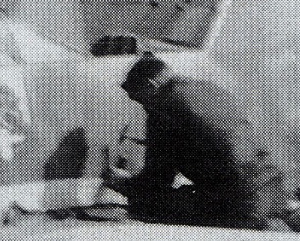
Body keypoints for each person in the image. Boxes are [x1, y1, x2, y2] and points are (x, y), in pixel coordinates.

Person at [111, 54, 283, 230]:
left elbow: (155, 181)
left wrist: (117, 181)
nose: (143, 106)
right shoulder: (211, 89)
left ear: (150, 86)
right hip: (274, 191)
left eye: (139, 99)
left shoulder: (163, 107)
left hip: (239, 206)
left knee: (145, 206)